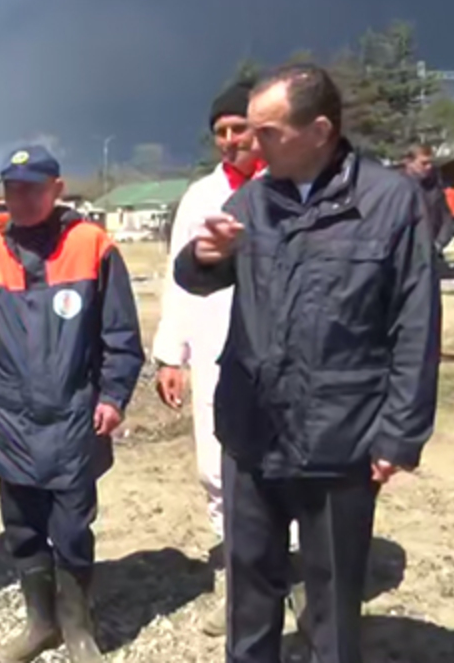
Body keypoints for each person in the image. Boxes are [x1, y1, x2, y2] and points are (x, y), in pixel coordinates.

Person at [173, 64, 441, 663]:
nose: (248, 142)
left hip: (339, 434)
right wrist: (204, 255)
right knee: (250, 585)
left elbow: (415, 325)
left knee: (330, 592)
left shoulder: (388, 203)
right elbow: (197, 276)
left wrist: (399, 434)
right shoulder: (252, 198)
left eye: (266, 131)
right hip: (251, 431)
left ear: (318, 130)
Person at [0, 144, 144, 663]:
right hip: (10, 420)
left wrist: (113, 395)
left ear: (56, 189)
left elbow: (121, 335)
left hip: (75, 416)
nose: (21, 197)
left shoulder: (93, 246)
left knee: (72, 528)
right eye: (13, 188)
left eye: (32, 187)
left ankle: (78, 626)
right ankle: (41, 623)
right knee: (22, 526)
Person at [152, 79, 301, 637]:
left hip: (284, 358)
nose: (230, 140)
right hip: (216, 351)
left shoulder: (290, 188)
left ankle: (294, 583)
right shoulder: (200, 196)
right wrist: (171, 353)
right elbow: (179, 278)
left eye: (239, 128)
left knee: (289, 466)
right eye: (220, 132)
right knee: (217, 469)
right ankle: (240, 585)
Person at [401, 143, 454, 256]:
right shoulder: (395, 188)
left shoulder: (434, 188)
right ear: (408, 162)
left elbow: (447, 220)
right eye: (424, 163)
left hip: (432, 252)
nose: (429, 167)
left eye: (430, 163)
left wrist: (439, 243)